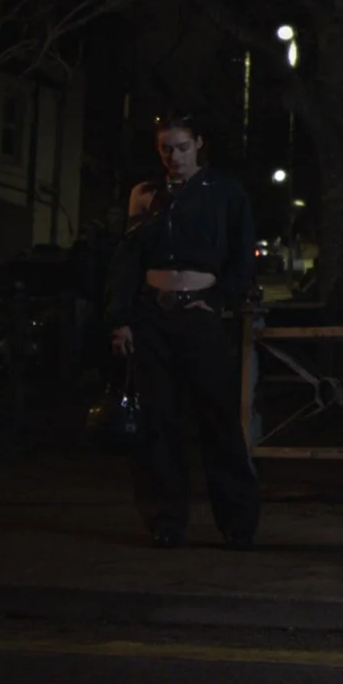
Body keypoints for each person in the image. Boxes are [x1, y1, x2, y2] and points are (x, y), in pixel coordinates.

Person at [106, 114, 262, 550]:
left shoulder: (225, 191)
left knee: (218, 419)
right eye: (166, 149)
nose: (174, 157)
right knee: (158, 421)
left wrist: (219, 299)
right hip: (152, 314)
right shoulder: (146, 193)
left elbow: (242, 254)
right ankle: (165, 519)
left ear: (198, 144)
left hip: (200, 312)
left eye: (182, 147)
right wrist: (121, 318)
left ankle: (237, 522)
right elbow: (127, 257)